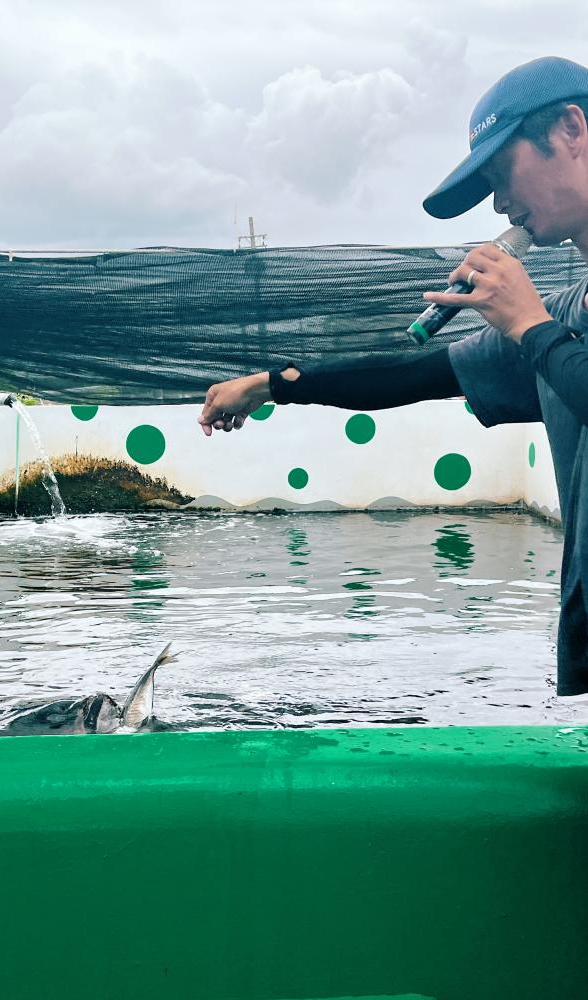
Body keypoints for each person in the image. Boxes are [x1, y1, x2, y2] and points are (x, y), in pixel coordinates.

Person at [198, 55, 588, 700]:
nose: (499, 203)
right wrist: (273, 383)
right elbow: (413, 375)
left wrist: (530, 326)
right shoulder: (567, 314)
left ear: (573, 129)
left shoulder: (547, 327)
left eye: (501, 171)